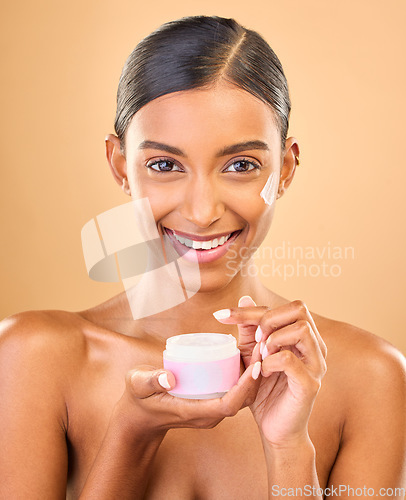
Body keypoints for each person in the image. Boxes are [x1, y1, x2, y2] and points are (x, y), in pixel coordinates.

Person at [0, 15, 405, 499]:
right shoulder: (33, 360)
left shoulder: (371, 378)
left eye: (241, 165)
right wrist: (129, 434)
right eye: (165, 165)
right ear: (119, 165)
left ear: (286, 168)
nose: (201, 211)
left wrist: (289, 447)